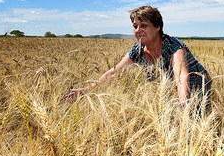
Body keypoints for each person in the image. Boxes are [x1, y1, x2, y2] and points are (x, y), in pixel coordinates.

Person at [66, 6, 211, 110]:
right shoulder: (138, 50)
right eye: (135, 26)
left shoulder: (173, 46)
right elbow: (114, 73)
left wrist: (183, 106)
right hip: (172, 89)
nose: (138, 30)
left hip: (198, 85)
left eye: (144, 25)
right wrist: (87, 90)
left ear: (157, 27)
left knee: (188, 122)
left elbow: (181, 77)